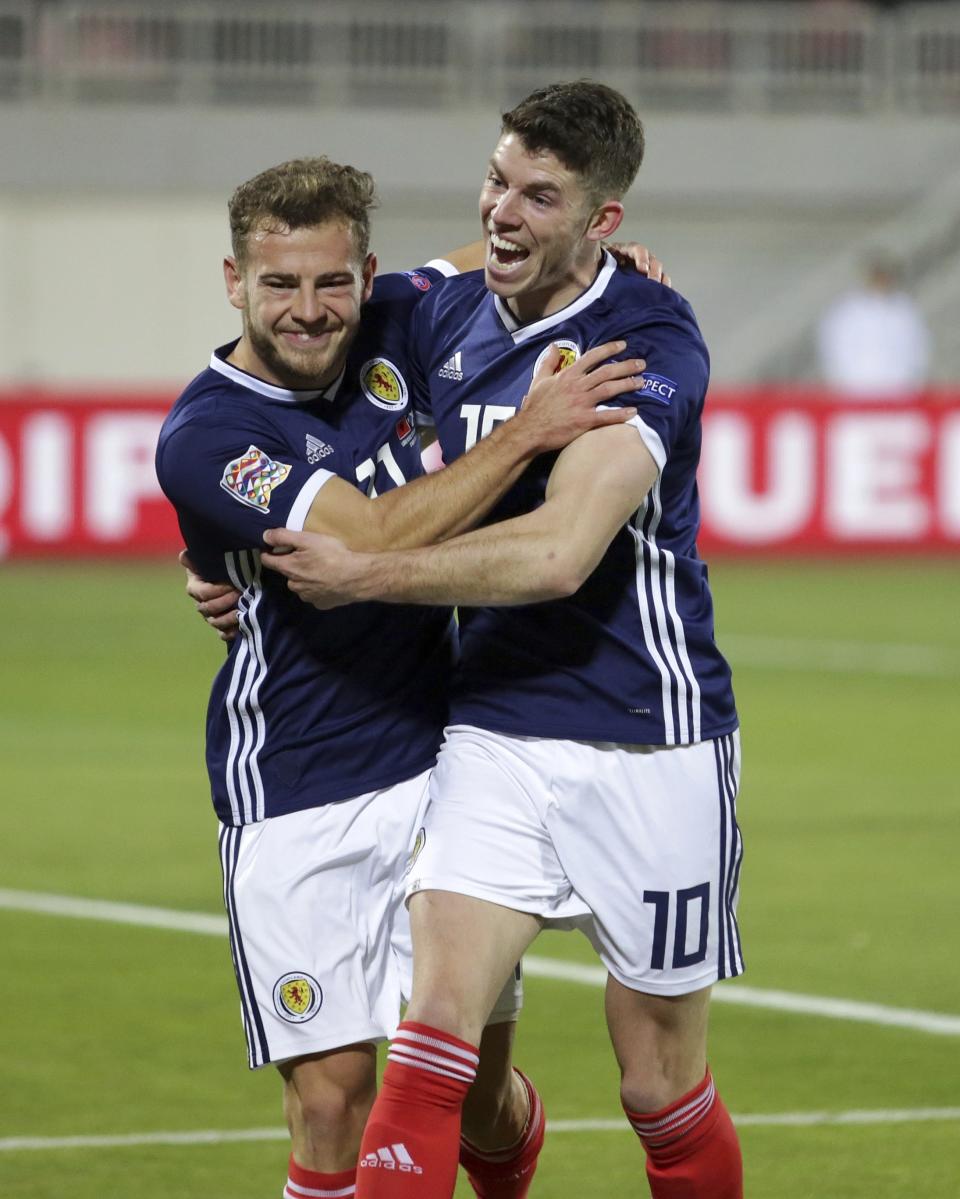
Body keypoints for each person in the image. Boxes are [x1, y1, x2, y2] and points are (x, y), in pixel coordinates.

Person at [261, 82, 744, 1199]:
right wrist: (219, 535)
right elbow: (288, 338)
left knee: (659, 1090)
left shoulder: (647, 341)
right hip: (493, 730)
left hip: (649, 740)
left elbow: (562, 551)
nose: (503, 212)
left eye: (540, 195)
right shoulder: (446, 304)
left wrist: (366, 571)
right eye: (495, 180)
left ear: (602, 222)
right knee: (430, 1043)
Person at [156, 155, 653, 1199]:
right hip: (296, 781)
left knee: (470, 1089)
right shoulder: (209, 435)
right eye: (278, 283)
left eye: (332, 282)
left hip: (448, 766)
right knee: (334, 1096)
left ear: (366, 272)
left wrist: (598, 267)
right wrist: (529, 432)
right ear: (234, 280)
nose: (307, 309)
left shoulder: (398, 312)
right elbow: (374, 538)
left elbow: (489, 257)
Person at [816, 253, 931, 398]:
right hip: (855, 389)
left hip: (898, 390)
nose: (881, 279)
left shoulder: (905, 310)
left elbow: (918, 349)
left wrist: (914, 384)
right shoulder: (846, 310)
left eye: (884, 275)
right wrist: (841, 384)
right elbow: (834, 347)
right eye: (877, 275)